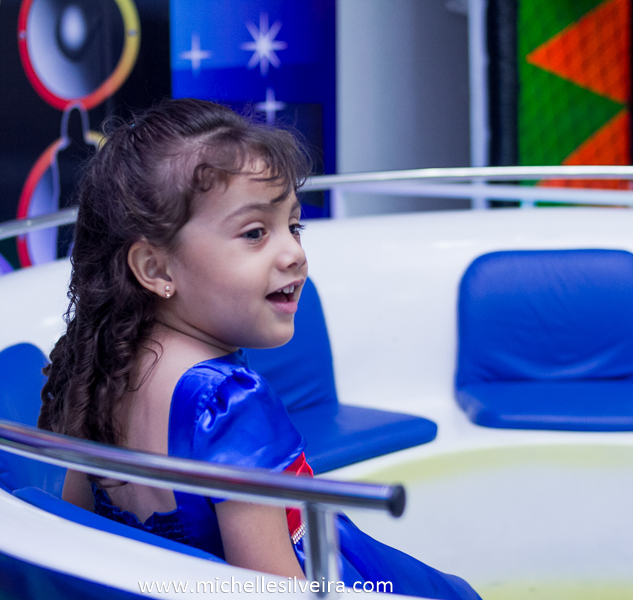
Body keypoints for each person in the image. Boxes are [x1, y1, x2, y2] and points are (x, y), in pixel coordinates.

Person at [38, 98, 481, 599]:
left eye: (294, 226)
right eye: (255, 233)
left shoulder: (103, 369)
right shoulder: (229, 404)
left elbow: (74, 529)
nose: (294, 253)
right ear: (156, 269)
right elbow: (276, 590)